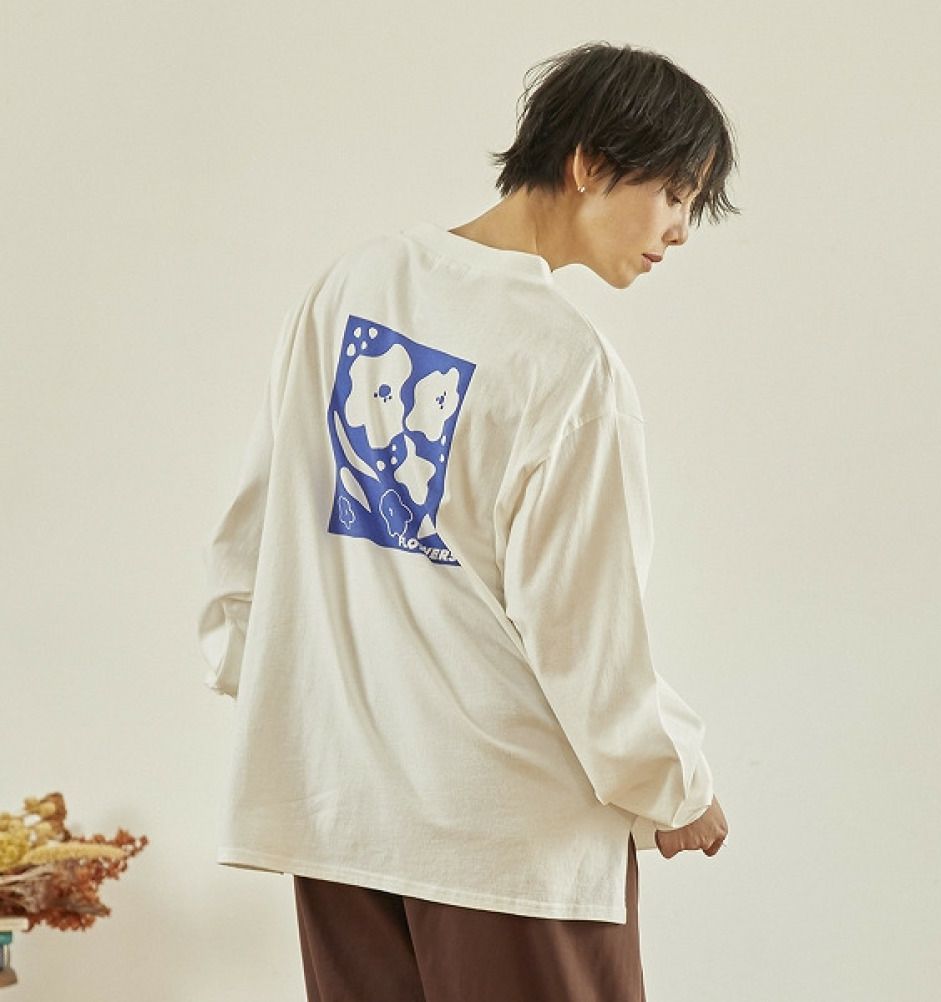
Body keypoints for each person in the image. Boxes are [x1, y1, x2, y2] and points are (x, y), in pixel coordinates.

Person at [198, 39, 738, 1002]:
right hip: (509, 843)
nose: (682, 230)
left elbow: (253, 547)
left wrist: (317, 712)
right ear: (589, 164)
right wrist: (675, 786)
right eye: (675, 193)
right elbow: (584, 634)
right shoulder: (566, 364)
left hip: (344, 816)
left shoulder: (354, 282)